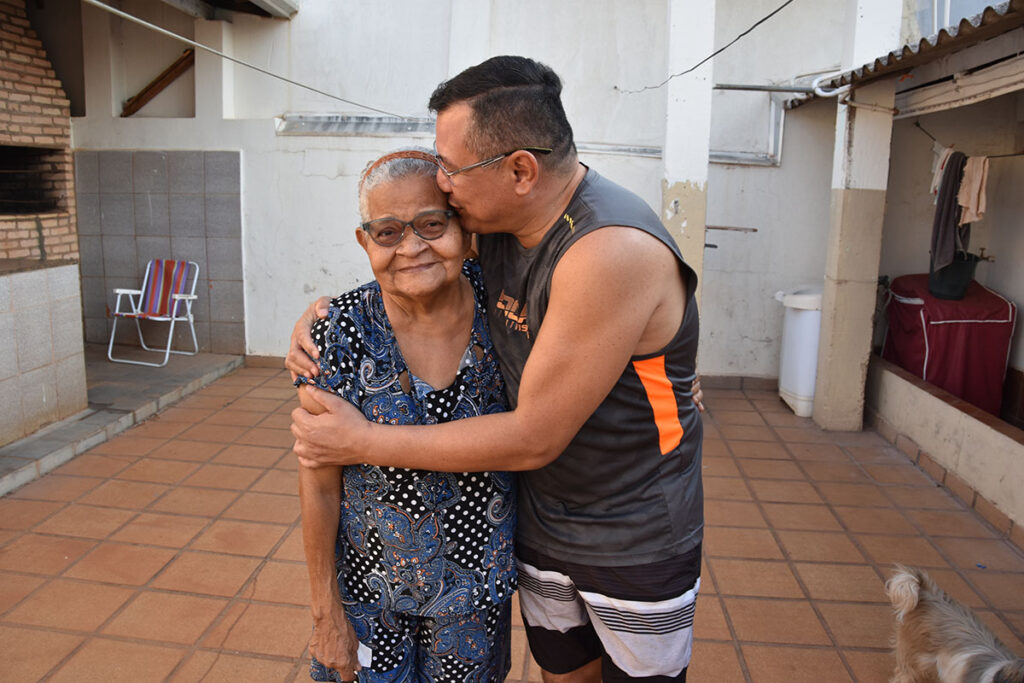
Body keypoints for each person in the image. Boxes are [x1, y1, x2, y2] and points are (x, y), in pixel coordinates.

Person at [290, 56, 703, 682]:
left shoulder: (608, 247)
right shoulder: (505, 228)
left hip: (630, 534)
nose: (444, 185)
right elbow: (409, 254)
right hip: (539, 530)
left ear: (520, 170)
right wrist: (321, 314)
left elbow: (534, 434)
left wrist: (363, 441)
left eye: (452, 169)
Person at [296, 148, 516, 682]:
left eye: (431, 224)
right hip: (369, 603)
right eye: (388, 232)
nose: (412, 247)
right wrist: (326, 615)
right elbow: (319, 484)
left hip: (475, 604)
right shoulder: (339, 332)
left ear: (462, 229)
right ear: (364, 241)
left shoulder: (509, 312)